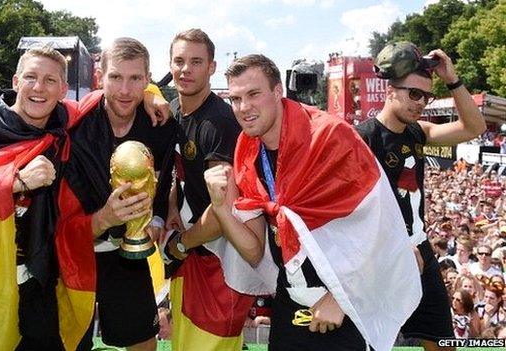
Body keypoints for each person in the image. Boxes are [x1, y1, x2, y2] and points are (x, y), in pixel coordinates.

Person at [0, 45, 169, 351]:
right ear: (16, 81)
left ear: (63, 90)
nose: (39, 88)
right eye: (31, 77)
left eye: (50, 81)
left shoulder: (64, 125)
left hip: (40, 279)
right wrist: (13, 182)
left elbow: (116, 93)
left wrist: (150, 91)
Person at [205, 54, 421, 351]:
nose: (244, 108)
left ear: (278, 92)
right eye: (236, 98)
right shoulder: (246, 149)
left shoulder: (331, 136)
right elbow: (255, 251)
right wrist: (220, 208)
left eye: (254, 94)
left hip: (343, 306)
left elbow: (381, 226)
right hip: (290, 302)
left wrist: (340, 295)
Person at [355, 41, 487, 351]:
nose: (421, 103)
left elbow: (474, 126)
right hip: (379, 257)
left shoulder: (418, 131)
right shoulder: (362, 138)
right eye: (414, 94)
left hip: (419, 251)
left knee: (442, 342)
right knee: (373, 342)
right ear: (390, 91)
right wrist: (394, 245)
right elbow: (350, 210)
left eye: (426, 96)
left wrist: (452, 79)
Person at [58, 37, 178, 351]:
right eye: (116, 77)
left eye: (136, 79)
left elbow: (164, 179)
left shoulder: (160, 125)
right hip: (73, 248)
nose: (125, 90)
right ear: (100, 77)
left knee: (141, 341)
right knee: (66, 342)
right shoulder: (74, 121)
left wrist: (159, 216)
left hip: (127, 251)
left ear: (148, 79)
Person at [161, 28, 251, 351]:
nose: (186, 69)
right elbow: (181, 174)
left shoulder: (218, 122)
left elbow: (222, 211)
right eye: (179, 61)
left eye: (196, 62)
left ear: (212, 67)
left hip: (217, 262)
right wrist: (172, 207)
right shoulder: (173, 109)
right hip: (192, 256)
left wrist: (180, 245)